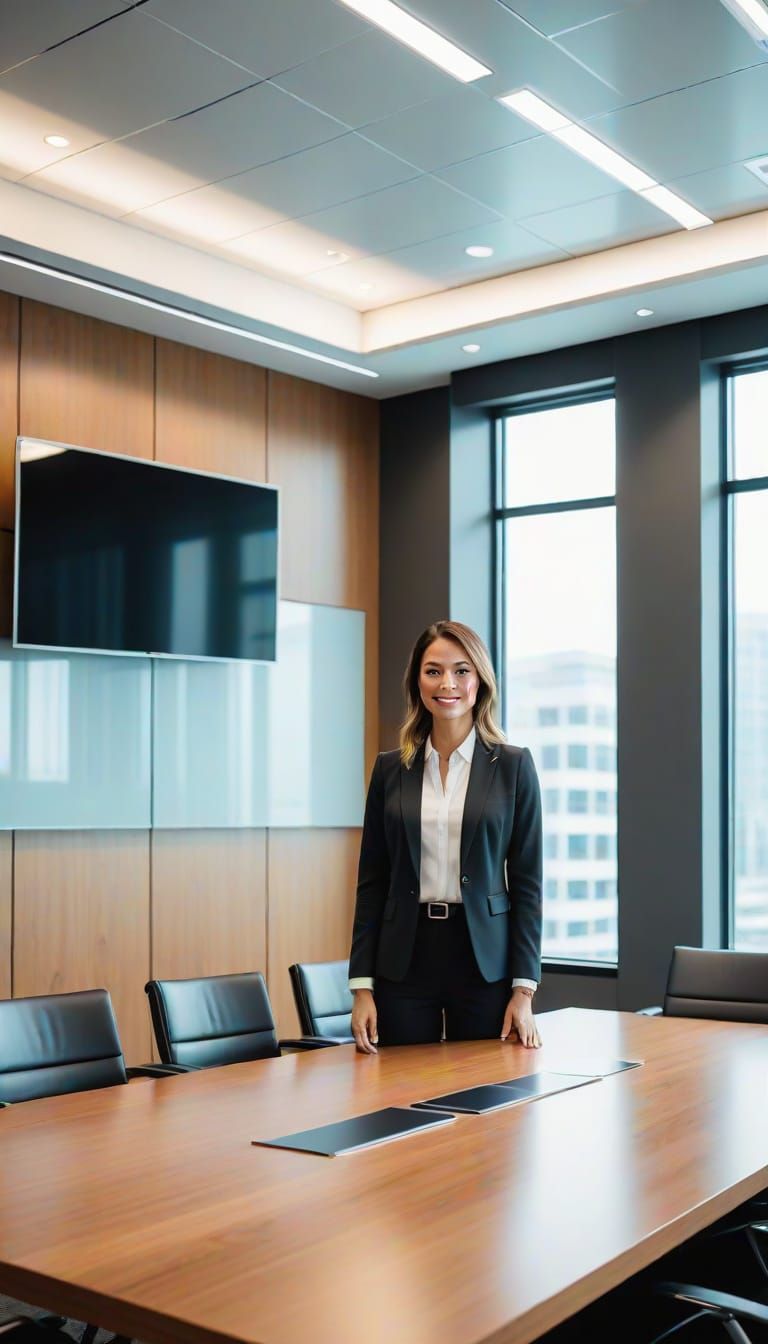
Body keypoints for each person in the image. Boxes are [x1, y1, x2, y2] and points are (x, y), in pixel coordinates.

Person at [349, 619, 542, 1053]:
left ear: (480, 681)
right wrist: (361, 985)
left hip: (483, 962)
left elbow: (529, 885)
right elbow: (372, 881)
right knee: (400, 1089)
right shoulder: (389, 769)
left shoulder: (513, 767)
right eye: (433, 671)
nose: (447, 683)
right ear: (418, 681)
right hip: (404, 960)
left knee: (487, 1093)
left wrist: (523, 990)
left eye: (461, 670)